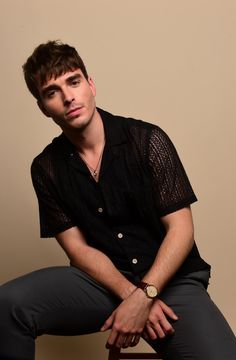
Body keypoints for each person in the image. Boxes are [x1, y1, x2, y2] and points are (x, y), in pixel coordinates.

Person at [0, 40, 235, 360]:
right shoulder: (46, 168)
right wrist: (131, 297)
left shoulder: (147, 140)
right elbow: (78, 249)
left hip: (171, 283)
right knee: (10, 305)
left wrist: (146, 294)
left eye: (74, 81)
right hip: (103, 285)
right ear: (43, 107)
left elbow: (181, 230)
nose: (68, 96)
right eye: (52, 92)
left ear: (90, 84)